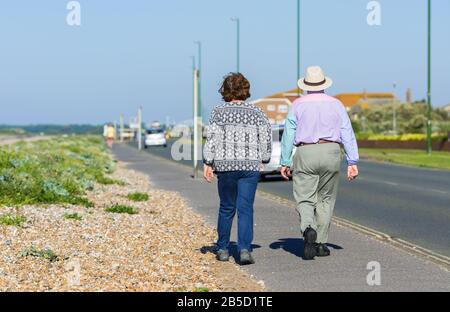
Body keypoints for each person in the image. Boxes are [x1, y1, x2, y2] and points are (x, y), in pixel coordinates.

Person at [280, 66, 359, 260]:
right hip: (330, 150)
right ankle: (321, 243)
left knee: (305, 197)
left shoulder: (297, 104)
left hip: (306, 151)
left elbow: (289, 133)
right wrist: (352, 161)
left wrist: (285, 161)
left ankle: (308, 229)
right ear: (324, 84)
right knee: (325, 198)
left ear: (306, 85)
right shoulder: (336, 104)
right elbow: (346, 131)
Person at [203, 73, 272, 265]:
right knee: (245, 208)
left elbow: (212, 138)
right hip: (249, 165)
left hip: (225, 165)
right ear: (245, 91)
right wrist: (264, 158)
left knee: (226, 207)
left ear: (225, 91)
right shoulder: (257, 112)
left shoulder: (218, 112)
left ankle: (223, 248)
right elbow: (266, 136)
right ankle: (244, 249)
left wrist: (207, 162)